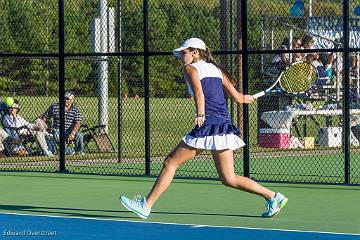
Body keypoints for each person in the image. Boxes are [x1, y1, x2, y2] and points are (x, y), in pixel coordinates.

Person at [120, 38, 288, 219]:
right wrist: (249, 98)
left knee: (171, 162)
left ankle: (146, 205)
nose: (181, 57)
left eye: (184, 53)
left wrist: (201, 114)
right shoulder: (217, 70)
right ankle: (273, 196)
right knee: (229, 178)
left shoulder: (190, 69)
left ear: (195, 52)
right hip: (224, 125)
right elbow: (239, 98)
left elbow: (199, 92)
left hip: (208, 124)